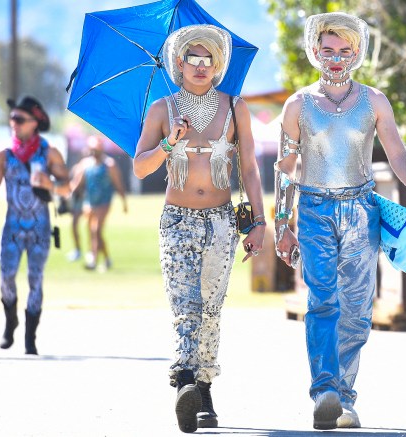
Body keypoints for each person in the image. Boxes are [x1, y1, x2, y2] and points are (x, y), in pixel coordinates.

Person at [274, 12, 406, 430]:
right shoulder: (298, 105)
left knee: (357, 308)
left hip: (361, 211)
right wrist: (281, 225)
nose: (335, 58)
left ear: (356, 54)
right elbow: (285, 168)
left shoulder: (374, 101)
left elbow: (397, 154)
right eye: (327, 50)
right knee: (322, 301)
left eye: (344, 51)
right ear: (314, 52)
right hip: (313, 211)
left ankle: (345, 398)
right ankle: (325, 390)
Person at [133, 24, 265, 433]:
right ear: (179, 62)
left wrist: (259, 222)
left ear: (219, 64)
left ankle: (203, 387)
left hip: (222, 221)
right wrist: (169, 144)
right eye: (194, 58)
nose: (202, 66)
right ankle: (185, 381)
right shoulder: (162, 109)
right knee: (184, 306)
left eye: (210, 59)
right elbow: (140, 167)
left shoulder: (234, 107)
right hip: (177, 220)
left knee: (211, 307)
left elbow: (249, 169)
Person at [0, 96, 69, 356]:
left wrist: (50, 184)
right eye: (11, 118)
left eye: (19, 119)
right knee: (6, 278)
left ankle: (30, 338)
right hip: (12, 227)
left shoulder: (49, 152)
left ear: (35, 122)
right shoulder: (3, 155)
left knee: (35, 279)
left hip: (41, 228)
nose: (13, 123)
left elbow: (67, 187)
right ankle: (11, 321)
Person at [70, 135, 127, 271]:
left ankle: (93, 260)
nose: (93, 152)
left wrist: (124, 202)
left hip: (104, 201)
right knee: (93, 231)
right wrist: (68, 195)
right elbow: (78, 183)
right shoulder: (86, 164)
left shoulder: (109, 164)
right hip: (89, 202)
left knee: (95, 230)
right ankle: (107, 259)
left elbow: (118, 184)